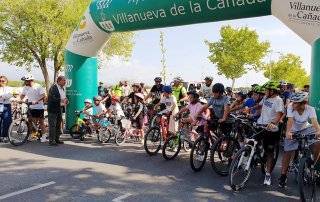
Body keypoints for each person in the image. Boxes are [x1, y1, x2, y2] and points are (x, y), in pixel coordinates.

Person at [279, 92, 320, 188]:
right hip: (293, 130)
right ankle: (283, 175)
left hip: (306, 129)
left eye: (296, 103)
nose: (293, 104)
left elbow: (314, 122)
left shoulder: (310, 109)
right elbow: (290, 121)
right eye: (293, 102)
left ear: (303, 103)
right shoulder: (290, 107)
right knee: (287, 152)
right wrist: (288, 132)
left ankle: (312, 163)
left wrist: (318, 131)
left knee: (319, 142)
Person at [257, 81, 284, 186]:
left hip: (271, 128)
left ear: (272, 91)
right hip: (261, 124)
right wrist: (249, 110)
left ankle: (268, 174)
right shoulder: (265, 98)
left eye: (266, 90)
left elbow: (279, 115)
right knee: (250, 142)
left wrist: (272, 123)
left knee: (269, 152)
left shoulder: (278, 100)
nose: (264, 92)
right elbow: (259, 107)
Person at [20, 74, 47, 141]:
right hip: (30, 107)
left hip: (39, 107)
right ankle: (32, 135)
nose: (25, 82)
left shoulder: (38, 86)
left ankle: (44, 136)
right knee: (31, 122)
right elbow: (22, 95)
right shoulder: (26, 87)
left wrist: (37, 101)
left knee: (41, 122)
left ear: (30, 80)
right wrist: (19, 100)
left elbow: (44, 96)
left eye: (26, 81)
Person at [47, 76, 67, 146]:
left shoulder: (62, 89)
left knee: (58, 124)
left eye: (65, 80)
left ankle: (57, 139)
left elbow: (63, 97)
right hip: (53, 109)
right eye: (64, 80)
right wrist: (61, 100)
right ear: (59, 81)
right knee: (53, 125)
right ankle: (51, 141)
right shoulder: (53, 88)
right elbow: (52, 98)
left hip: (60, 108)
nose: (65, 82)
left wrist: (66, 100)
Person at [0, 76, 12, 142]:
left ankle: (5, 136)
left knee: (7, 121)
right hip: (0, 105)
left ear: (6, 81)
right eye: (0, 81)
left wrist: (2, 96)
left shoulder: (9, 88)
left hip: (6, 105)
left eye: (3, 81)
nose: (1, 82)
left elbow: (9, 95)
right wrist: (4, 96)